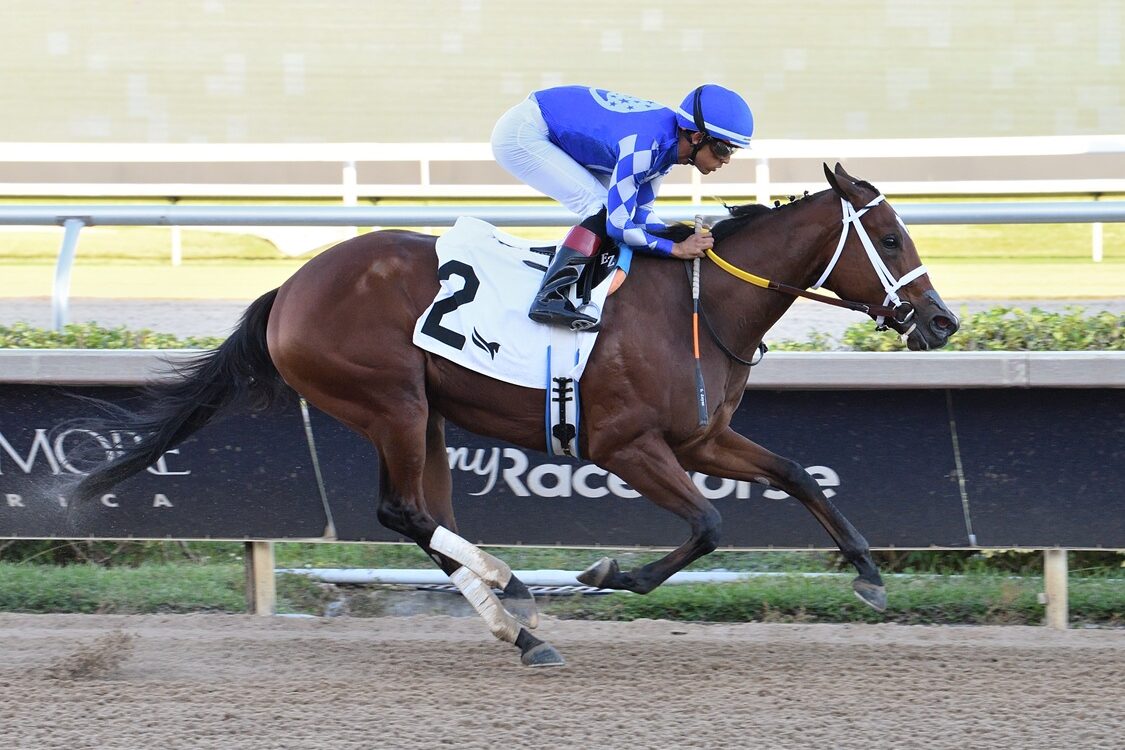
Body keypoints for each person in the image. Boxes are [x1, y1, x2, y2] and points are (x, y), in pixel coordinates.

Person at [490, 83, 754, 330]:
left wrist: (686, 241)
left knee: (611, 209)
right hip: (525, 132)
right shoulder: (645, 147)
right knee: (600, 207)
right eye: (723, 149)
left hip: (554, 125)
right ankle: (549, 297)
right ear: (697, 137)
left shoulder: (667, 151)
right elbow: (617, 225)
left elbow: (642, 215)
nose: (727, 160)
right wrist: (674, 248)